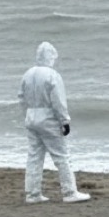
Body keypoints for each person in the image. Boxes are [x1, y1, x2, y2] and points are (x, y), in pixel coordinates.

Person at [18, 41, 91, 204]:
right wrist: (64, 120)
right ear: (50, 57)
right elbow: (58, 101)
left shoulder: (27, 74)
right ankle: (69, 192)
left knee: (34, 156)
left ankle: (32, 194)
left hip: (31, 118)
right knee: (61, 156)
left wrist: (27, 115)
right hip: (48, 119)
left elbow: (21, 98)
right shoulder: (52, 75)